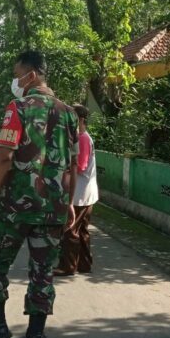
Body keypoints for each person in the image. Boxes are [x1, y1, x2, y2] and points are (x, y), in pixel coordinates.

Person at [0, 50, 79, 338]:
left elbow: (4, 156)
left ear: (30, 76)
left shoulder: (17, 108)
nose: (15, 81)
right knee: (43, 270)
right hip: (53, 207)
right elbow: (72, 166)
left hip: (14, 208)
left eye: (17, 74)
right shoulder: (68, 113)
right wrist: (68, 202)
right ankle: (36, 335)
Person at [54, 104, 98, 276]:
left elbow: (80, 166)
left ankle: (68, 266)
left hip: (80, 193)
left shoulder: (83, 138)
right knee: (82, 230)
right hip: (85, 193)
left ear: (79, 120)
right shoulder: (80, 137)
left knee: (70, 229)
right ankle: (84, 264)